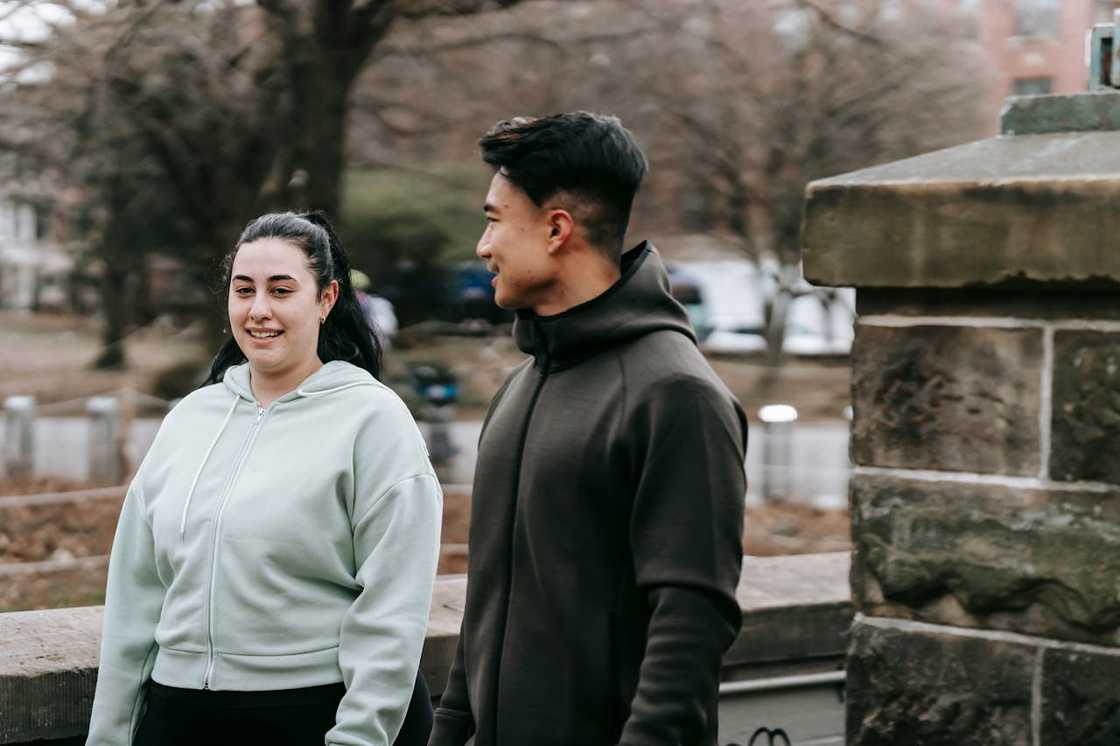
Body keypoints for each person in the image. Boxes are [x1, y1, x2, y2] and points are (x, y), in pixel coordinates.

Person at [430, 113, 748, 746]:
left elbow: (690, 625)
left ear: (556, 229)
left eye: (494, 219)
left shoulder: (676, 394)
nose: (482, 246)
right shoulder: (518, 389)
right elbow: (488, 601)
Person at [86, 212, 442, 746]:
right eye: (243, 290)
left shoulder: (374, 420)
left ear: (325, 300)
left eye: (281, 290)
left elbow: (393, 609)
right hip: (178, 716)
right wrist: (109, 734)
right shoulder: (190, 417)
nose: (258, 310)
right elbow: (136, 594)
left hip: (309, 713)